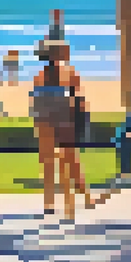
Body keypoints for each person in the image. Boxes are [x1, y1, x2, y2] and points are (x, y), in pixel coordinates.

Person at [31, 40, 89, 218]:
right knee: (69, 159)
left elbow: (36, 101)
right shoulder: (69, 73)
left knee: (50, 162)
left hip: (45, 120)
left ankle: (50, 203)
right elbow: (78, 98)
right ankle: (73, 202)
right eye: (65, 49)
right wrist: (82, 120)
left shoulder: (40, 75)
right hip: (64, 119)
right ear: (59, 53)